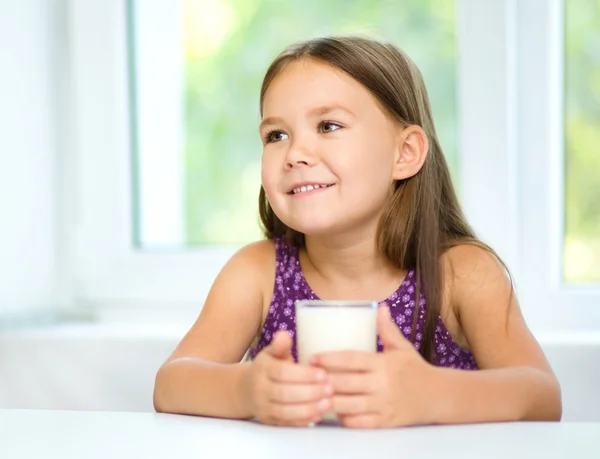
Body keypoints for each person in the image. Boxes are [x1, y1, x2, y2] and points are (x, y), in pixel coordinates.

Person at [153, 35, 562, 428]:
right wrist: (245, 390)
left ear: (405, 153)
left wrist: (434, 394)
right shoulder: (256, 273)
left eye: (328, 126)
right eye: (276, 135)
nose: (295, 153)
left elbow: (542, 396)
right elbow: (170, 385)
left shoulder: (463, 272)